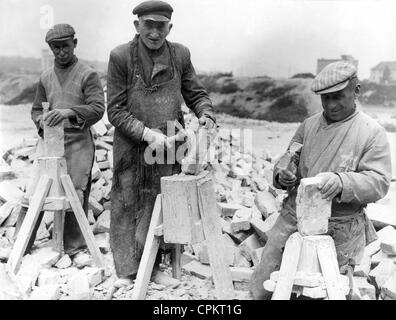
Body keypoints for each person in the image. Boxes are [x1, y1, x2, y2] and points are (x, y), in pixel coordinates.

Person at [250, 61, 392, 300]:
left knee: (324, 290)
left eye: (338, 97)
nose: (331, 105)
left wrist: (342, 182)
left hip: (339, 227)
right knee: (267, 283)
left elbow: (379, 182)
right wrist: (284, 175)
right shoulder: (309, 125)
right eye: (325, 99)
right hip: (293, 218)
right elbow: (287, 160)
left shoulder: (371, 132)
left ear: (356, 90)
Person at [106, 0, 216, 287]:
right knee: (127, 203)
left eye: (161, 26)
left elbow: (196, 93)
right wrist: (146, 134)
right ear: (137, 26)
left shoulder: (180, 54)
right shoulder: (120, 57)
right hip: (133, 146)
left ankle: (155, 267)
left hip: (170, 144)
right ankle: (128, 272)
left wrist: (205, 113)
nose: (154, 33)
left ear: (170, 27)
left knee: (162, 202)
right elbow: (115, 111)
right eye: (148, 26)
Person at [20, 24, 105, 256]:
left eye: (65, 46)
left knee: (74, 189)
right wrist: (41, 121)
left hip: (78, 141)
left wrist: (67, 112)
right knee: (36, 188)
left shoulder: (88, 74)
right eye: (55, 48)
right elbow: (36, 109)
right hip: (50, 141)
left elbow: (98, 109)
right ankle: (22, 242)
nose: (61, 52)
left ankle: (73, 246)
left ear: (74, 44)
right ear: (50, 49)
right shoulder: (46, 77)